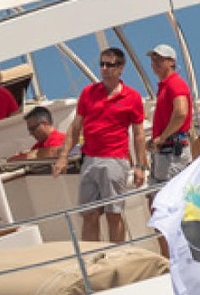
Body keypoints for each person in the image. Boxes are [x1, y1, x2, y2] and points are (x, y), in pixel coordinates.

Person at [51, 46, 146, 242]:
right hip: (90, 160)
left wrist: (140, 166)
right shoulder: (88, 93)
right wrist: (63, 156)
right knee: (89, 215)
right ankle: (92, 258)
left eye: (109, 65)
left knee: (114, 213)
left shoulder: (132, 97)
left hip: (115, 160)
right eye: (102, 64)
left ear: (120, 68)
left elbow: (138, 135)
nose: (104, 69)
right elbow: (75, 127)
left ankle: (117, 254)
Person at [146, 44, 194, 183]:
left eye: (160, 59)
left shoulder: (175, 84)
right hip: (166, 152)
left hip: (172, 154)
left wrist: (162, 138)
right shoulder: (166, 86)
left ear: (171, 61)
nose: (155, 63)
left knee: (169, 198)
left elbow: (181, 113)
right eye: (153, 60)